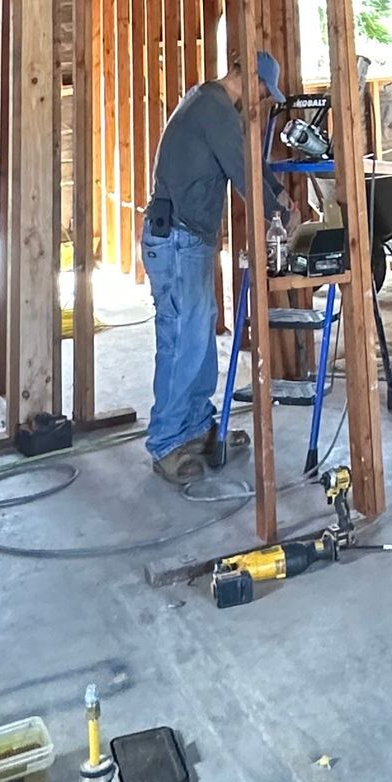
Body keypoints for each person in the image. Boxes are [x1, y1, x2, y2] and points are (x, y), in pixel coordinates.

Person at [143, 59, 275, 487]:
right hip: (177, 240)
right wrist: (283, 212)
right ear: (250, 79)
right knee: (182, 339)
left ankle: (196, 427)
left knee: (197, 337)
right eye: (264, 91)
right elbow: (245, 174)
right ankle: (166, 442)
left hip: (187, 240)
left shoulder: (204, 100)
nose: (262, 101)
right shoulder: (216, 108)